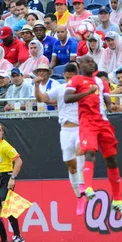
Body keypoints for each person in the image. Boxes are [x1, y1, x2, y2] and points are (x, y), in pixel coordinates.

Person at [64, 55, 122, 216]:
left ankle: (117, 199)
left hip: (103, 123)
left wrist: (113, 107)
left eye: (93, 61)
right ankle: (87, 187)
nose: (91, 63)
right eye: (87, 61)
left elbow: (107, 104)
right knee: (90, 152)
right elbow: (67, 98)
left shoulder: (101, 82)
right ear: (80, 65)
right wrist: (86, 93)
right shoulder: (76, 81)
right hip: (87, 122)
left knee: (112, 160)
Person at [34, 62, 86, 214]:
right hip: (65, 130)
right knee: (71, 165)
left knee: (80, 154)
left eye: (72, 77)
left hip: (81, 129)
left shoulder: (84, 90)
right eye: (67, 77)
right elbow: (41, 99)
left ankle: (83, 187)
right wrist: (36, 86)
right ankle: (79, 197)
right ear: (64, 76)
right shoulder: (60, 89)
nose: (70, 80)